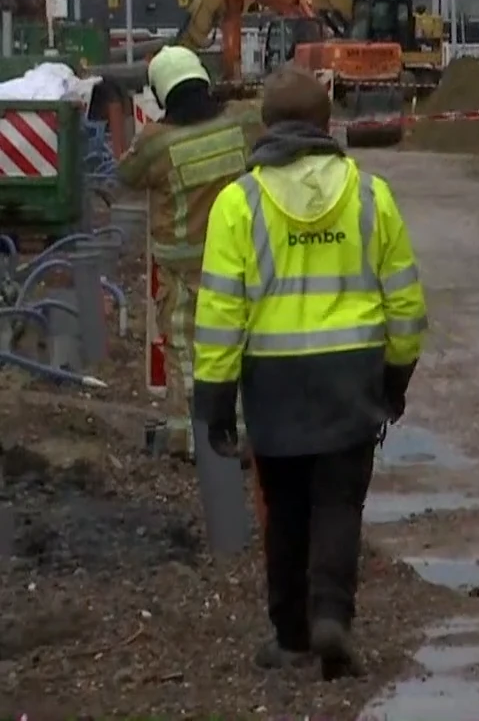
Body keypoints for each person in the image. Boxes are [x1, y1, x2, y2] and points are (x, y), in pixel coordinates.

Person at [192, 68, 428, 679]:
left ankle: (292, 636)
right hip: (351, 374)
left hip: (273, 381)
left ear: (266, 127)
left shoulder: (238, 203)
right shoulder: (371, 196)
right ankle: (332, 614)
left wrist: (213, 398)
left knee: (287, 505)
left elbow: (221, 309)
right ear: (328, 126)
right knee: (339, 502)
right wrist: (395, 377)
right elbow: (404, 302)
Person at [115, 46, 263, 456]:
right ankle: (245, 434)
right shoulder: (243, 121)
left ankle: (196, 441)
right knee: (242, 345)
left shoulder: (157, 143)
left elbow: (125, 175)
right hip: (241, 260)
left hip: (184, 267)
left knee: (185, 352)